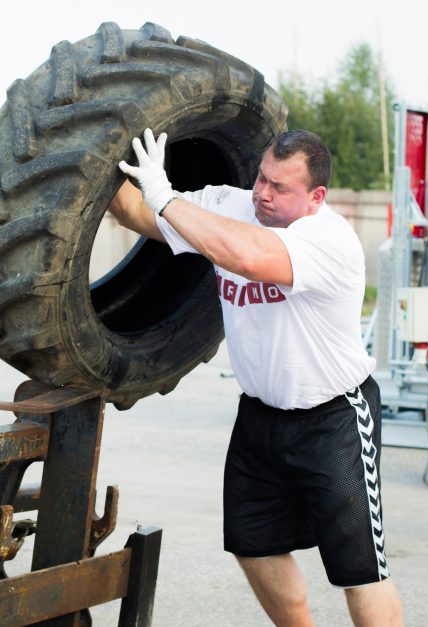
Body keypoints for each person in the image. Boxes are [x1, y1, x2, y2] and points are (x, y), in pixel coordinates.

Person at [109, 128, 403, 626]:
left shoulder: (328, 238)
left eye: (280, 188)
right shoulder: (234, 204)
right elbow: (138, 214)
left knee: (359, 569)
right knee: (254, 546)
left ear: (316, 197)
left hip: (334, 418)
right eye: (261, 178)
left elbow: (245, 255)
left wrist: (165, 196)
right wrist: (101, 154)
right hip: (260, 418)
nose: (263, 193)